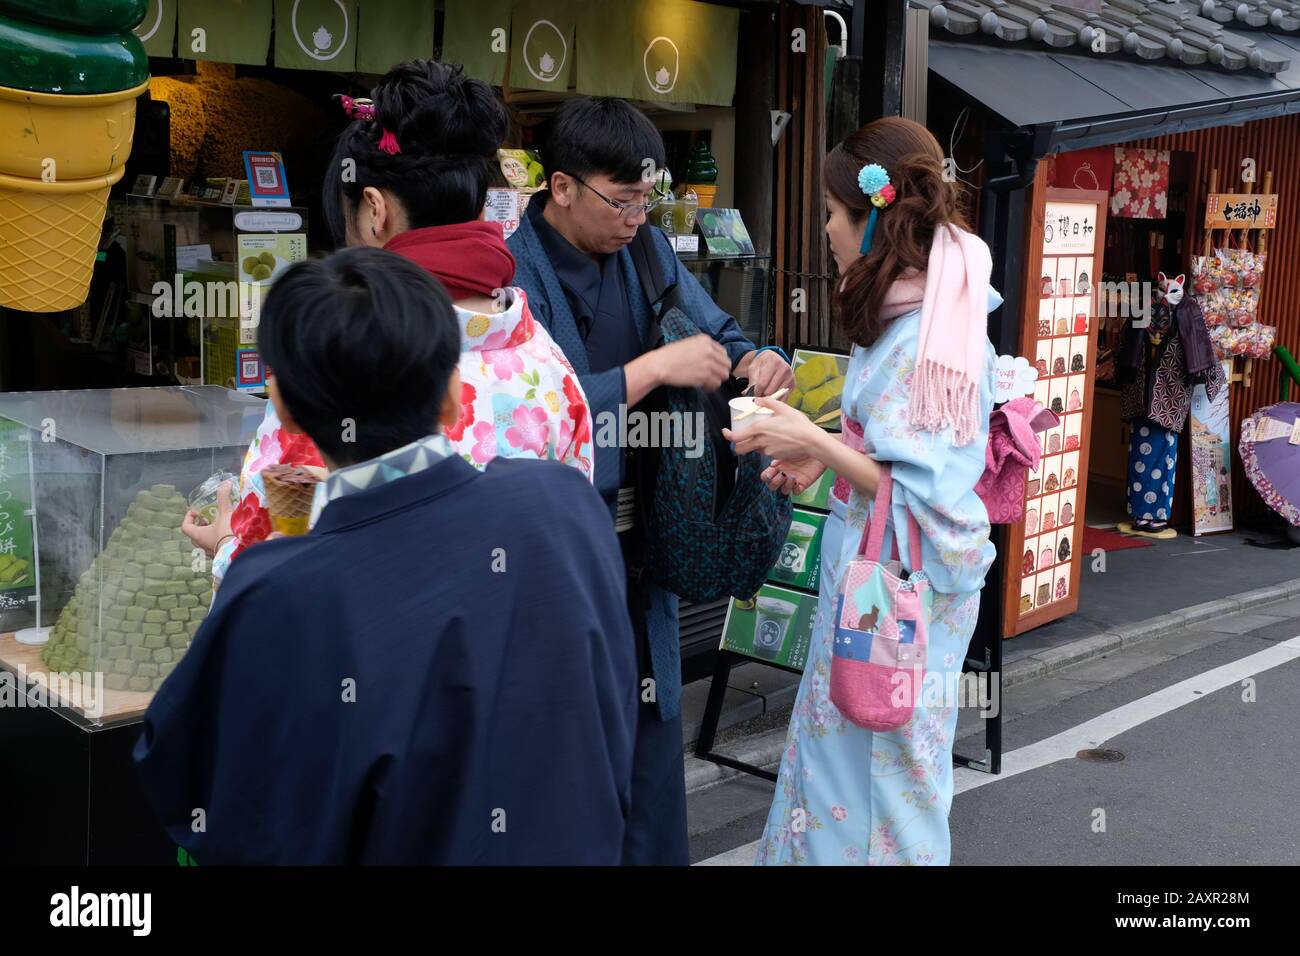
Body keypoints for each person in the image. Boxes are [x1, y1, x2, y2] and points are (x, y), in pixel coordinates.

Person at [134, 248, 637, 864]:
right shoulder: (563, 507)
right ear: (454, 395)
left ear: (282, 405)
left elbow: (197, 786)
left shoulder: (277, 591)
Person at [508, 96, 794, 865]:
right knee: (568, 741)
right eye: (622, 199)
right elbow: (528, 418)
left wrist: (754, 360)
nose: (638, 216)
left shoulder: (649, 253)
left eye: (646, 198)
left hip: (648, 540)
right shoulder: (511, 276)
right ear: (560, 187)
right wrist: (649, 370)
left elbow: (721, 332)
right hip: (559, 551)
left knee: (653, 737)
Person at [183, 60, 592, 585]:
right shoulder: (553, 367)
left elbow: (277, 588)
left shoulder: (339, 364)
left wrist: (224, 549)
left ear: (375, 210)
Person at [725, 117, 998, 866]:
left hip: (904, 592)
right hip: (878, 582)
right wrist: (826, 457)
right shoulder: (904, 313)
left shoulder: (931, 338)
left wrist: (812, 441)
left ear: (873, 215)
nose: (825, 230)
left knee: (884, 783)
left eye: (831, 213)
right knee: (842, 756)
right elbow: (886, 449)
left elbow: (923, 488)